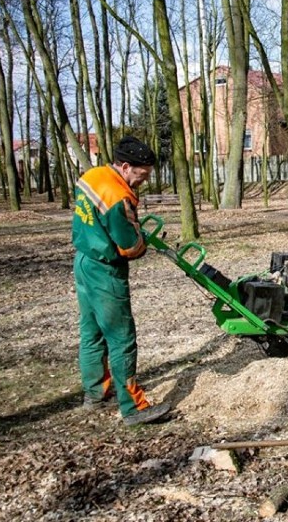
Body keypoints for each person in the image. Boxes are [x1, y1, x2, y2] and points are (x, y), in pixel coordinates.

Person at [71, 136, 170, 426]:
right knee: (121, 337)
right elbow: (130, 246)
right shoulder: (117, 196)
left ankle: (95, 392)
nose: (144, 181)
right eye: (142, 174)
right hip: (106, 272)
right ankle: (133, 408)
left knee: (91, 333)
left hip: (84, 261)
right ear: (126, 167)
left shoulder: (92, 176)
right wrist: (142, 241)